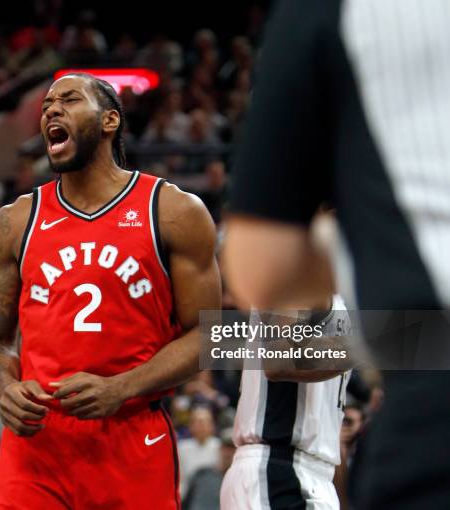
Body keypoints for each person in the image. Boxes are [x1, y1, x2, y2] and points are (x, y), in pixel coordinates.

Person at [222, 1, 450, 508]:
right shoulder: (312, 251)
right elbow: (281, 359)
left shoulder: (356, 256)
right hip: (278, 466)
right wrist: (400, 342)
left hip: (309, 469)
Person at [0, 72, 221, 509]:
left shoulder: (172, 211)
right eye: (47, 104)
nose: (51, 110)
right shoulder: (15, 221)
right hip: (36, 445)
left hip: (130, 436)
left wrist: (122, 388)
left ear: (110, 121)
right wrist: (3, 387)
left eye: (69, 100)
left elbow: (207, 335)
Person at [221, 295, 350, 509]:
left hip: (307, 474)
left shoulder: (337, 297)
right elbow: (279, 360)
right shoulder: (302, 272)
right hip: (279, 471)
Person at [178, 406, 221, 496]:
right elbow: (180, 480)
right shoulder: (181, 448)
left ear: (212, 426)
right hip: (188, 498)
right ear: (190, 426)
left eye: (205, 421)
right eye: (198, 422)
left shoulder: (220, 447)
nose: (202, 425)